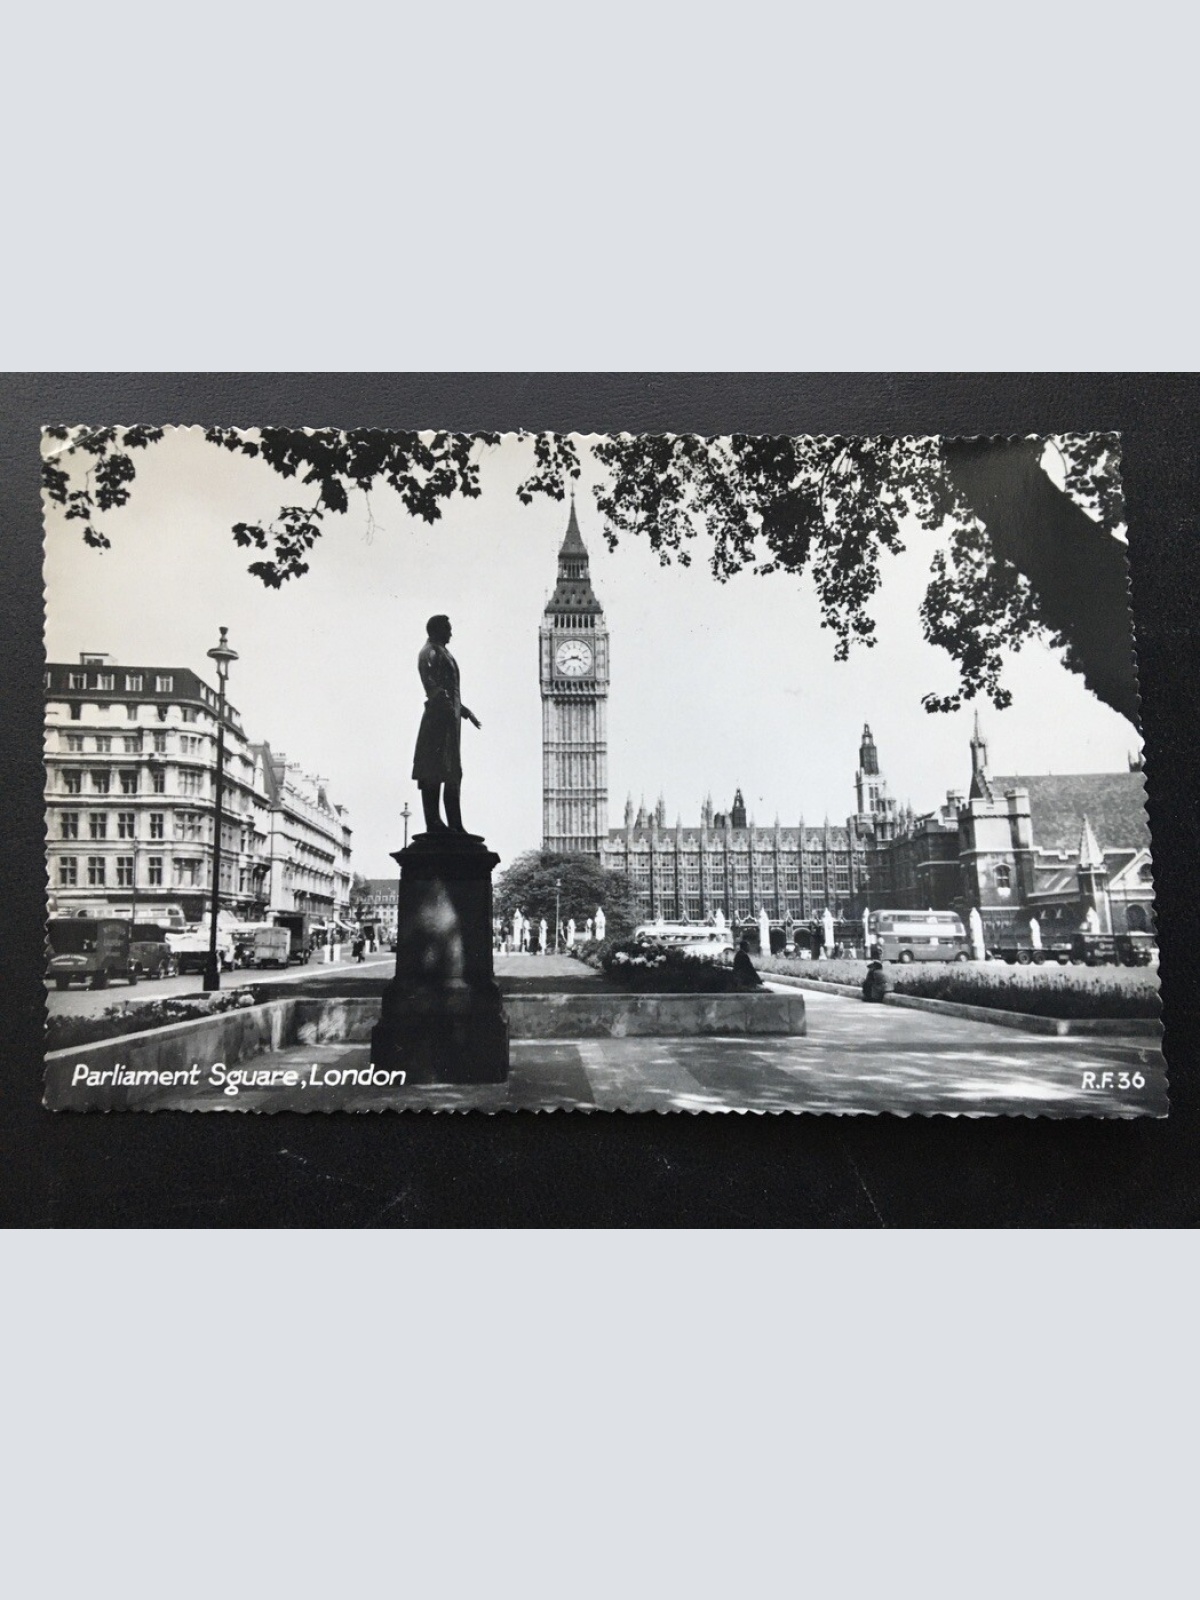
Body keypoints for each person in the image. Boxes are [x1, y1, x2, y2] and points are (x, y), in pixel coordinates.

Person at [412, 614, 481, 834]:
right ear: (437, 630)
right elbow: (432, 686)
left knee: (452, 771)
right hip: (438, 721)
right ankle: (434, 822)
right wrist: (450, 708)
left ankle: (455, 824)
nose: (451, 632)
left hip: (449, 721)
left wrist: (464, 711)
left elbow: (449, 690)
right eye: (448, 629)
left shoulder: (443, 652)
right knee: (433, 769)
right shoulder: (429, 652)